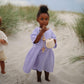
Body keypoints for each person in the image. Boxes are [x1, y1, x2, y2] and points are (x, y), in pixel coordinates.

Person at [23, 5, 57, 82]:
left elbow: (54, 39)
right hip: (39, 53)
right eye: (42, 19)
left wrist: (54, 41)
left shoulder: (50, 31)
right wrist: (41, 32)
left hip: (48, 52)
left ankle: (47, 78)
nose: (44, 21)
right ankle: (39, 79)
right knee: (39, 66)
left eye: (46, 19)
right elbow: (35, 41)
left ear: (49, 20)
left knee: (47, 66)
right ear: (37, 20)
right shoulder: (36, 30)